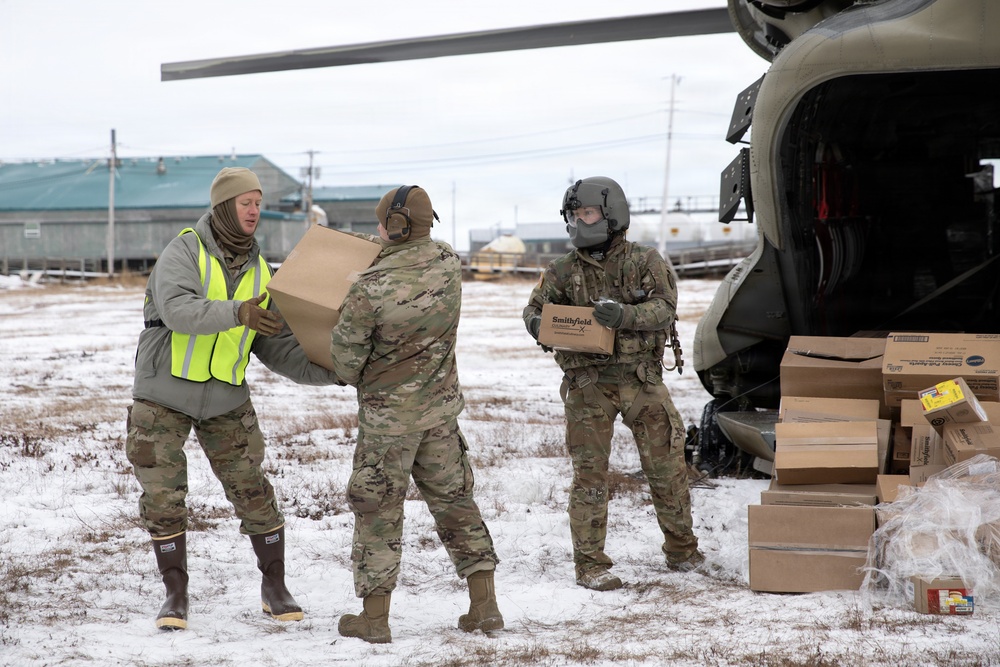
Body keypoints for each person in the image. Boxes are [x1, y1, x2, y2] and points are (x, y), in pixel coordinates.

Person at [126, 167, 341, 630]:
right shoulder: (184, 250)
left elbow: (278, 347)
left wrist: (334, 371)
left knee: (254, 491)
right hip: (164, 392)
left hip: (225, 396)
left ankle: (274, 586)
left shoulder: (263, 271)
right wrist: (238, 312)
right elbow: (178, 310)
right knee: (164, 495)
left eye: (259, 202)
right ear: (224, 206)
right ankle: (176, 593)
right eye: (245, 202)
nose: (254, 210)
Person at [330, 185, 502, 644]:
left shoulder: (370, 287)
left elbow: (345, 364)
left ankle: (374, 619)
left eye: (384, 222)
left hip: (388, 426)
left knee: (377, 513)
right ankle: (485, 606)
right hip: (440, 415)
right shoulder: (449, 263)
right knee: (456, 504)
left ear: (398, 225)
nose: (379, 229)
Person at [522, 176, 703, 592]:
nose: (577, 221)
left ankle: (683, 551)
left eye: (585, 212)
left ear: (610, 214)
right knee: (589, 477)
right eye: (572, 214)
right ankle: (590, 564)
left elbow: (664, 309)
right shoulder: (562, 270)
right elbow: (533, 310)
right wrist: (539, 325)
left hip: (642, 381)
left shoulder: (646, 260)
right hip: (588, 386)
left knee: (667, 469)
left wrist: (624, 316)